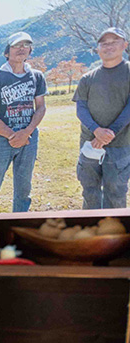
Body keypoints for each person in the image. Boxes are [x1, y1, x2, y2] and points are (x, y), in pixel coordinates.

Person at [0, 32, 47, 214]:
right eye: (16, 45)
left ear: (30, 50)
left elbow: (40, 108)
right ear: (7, 52)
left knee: (24, 190)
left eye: (26, 45)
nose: (22, 48)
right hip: (1, 140)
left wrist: (27, 132)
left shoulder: (37, 77)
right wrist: (11, 135)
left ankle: (19, 224)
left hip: (29, 139)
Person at [75, 27, 130, 210]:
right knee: (89, 191)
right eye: (104, 43)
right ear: (97, 49)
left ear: (125, 45)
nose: (108, 46)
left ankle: (115, 233)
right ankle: (90, 230)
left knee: (115, 193)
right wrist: (97, 131)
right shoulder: (87, 78)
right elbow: (81, 108)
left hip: (120, 146)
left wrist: (110, 132)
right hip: (90, 144)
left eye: (114, 42)